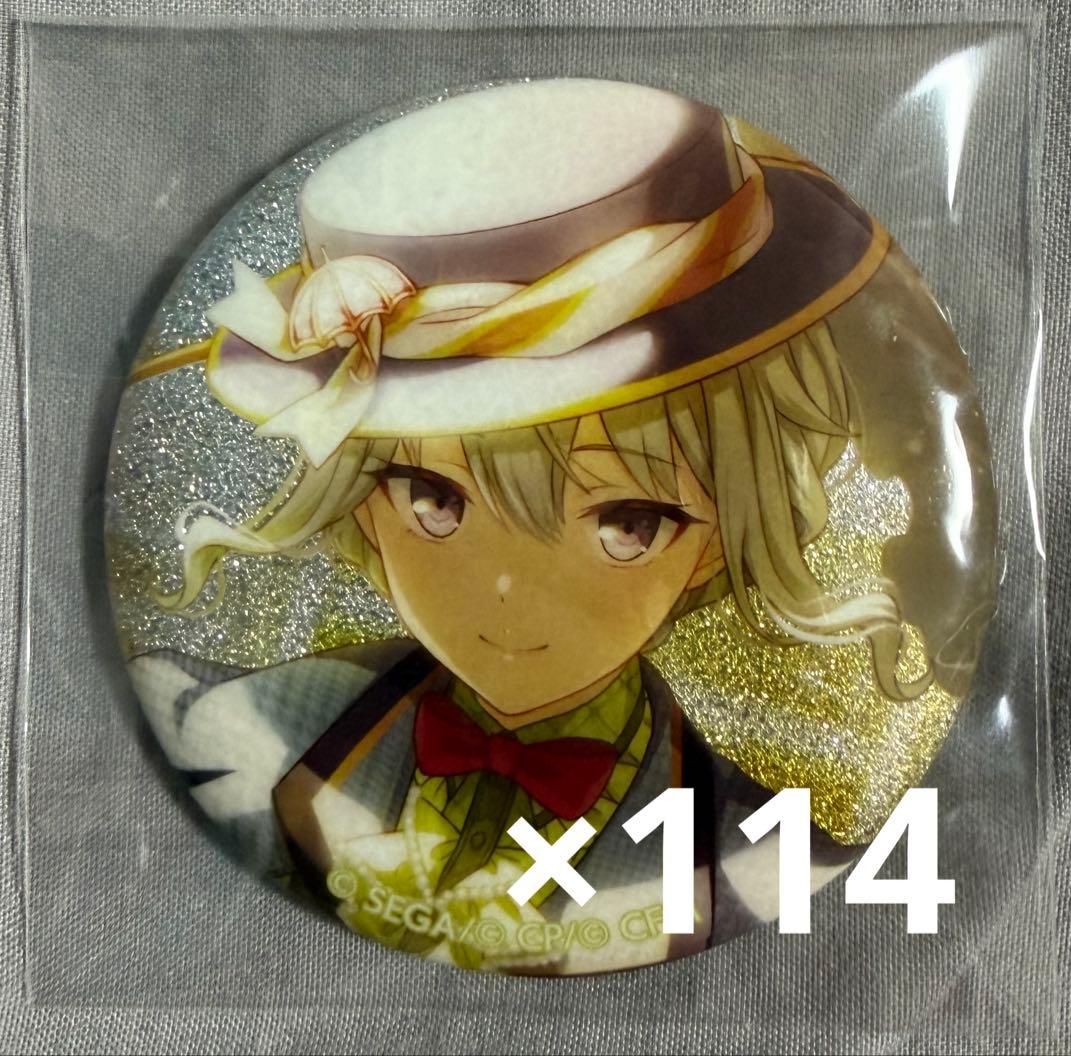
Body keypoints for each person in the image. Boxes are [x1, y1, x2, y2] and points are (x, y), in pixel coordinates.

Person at [125, 78, 967, 973]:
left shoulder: (765, 867)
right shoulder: (234, 734)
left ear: (719, 534)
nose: (505, 588)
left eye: (627, 523)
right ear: (362, 497)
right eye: (434, 500)